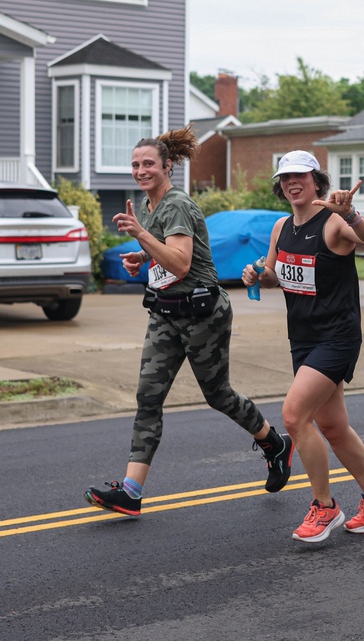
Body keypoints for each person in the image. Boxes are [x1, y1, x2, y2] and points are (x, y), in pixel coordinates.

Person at [85, 126, 293, 517]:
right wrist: (143, 258)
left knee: (218, 395)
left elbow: (181, 263)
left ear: (167, 166)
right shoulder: (148, 205)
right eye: (135, 164)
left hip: (202, 315)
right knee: (148, 397)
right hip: (165, 312)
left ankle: (273, 442)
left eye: (149, 163)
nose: (141, 170)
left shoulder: (177, 203)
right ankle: (131, 491)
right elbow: (170, 256)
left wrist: (142, 238)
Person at [242, 150, 364, 543]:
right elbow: (276, 276)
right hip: (304, 338)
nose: (292, 183)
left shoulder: (332, 223)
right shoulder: (282, 226)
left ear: (317, 181)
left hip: (338, 336)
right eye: (285, 178)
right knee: (332, 425)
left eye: (301, 176)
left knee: (295, 417)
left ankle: (324, 506)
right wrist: (257, 276)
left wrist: (349, 214)